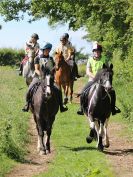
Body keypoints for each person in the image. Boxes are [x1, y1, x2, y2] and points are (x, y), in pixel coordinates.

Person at [77, 41, 121, 116]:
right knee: (83, 92)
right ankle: (81, 108)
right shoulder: (90, 59)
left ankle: (113, 109)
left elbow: (108, 69)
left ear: (100, 52)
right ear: (93, 52)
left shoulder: (104, 59)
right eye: (95, 51)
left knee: (112, 92)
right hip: (92, 80)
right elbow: (88, 71)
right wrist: (96, 77)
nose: (97, 53)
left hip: (103, 81)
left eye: (98, 51)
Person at [22, 42, 68, 113]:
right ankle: (27, 104)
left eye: (48, 50)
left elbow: (53, 69)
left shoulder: (51, 59)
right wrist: (41, 75)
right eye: (45, 50)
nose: (47, 51)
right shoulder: (37, 58)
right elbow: (36, 69)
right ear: (43, 50)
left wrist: (55, 70)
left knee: (58, 89)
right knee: (30, 88)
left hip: (49, 78)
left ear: (49, 50)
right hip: (38, 77)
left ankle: (61, 106)